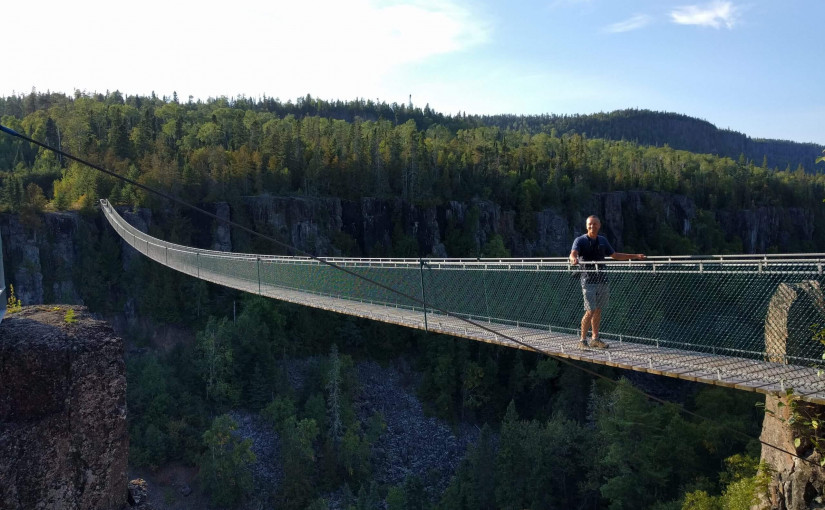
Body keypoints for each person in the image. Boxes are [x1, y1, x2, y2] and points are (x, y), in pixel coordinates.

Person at [569, 215, 646, 349]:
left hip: (602, 280)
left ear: (599, 226)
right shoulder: (580, 240)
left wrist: (635, 256)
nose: (592, 226)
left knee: (598, 310)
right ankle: (582, 341)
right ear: (586, 226)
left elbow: (615, 255)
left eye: (595, 224)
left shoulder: (603, 240)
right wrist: (573, 259)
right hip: (588, 280)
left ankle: (595, 339)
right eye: (590, 224)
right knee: (590, 310)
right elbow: (573, 253)